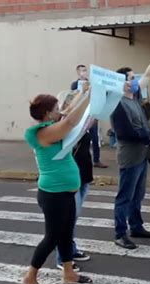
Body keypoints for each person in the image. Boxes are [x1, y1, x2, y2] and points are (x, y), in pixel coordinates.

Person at [19, 92, 92, 284]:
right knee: (52, 237)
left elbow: (69, 114)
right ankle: (29, 278)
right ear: (47, 113)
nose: (59, 110)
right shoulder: (41, 133)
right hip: (53, 194)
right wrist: (90, 94)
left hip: (65, 193)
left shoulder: (52, 127)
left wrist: (82, 94)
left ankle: (69, 273)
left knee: (66, 235)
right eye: (56, 108)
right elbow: (69, 120)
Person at [110, 46, 150, 249]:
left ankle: (136, 226)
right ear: (122, 82)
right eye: (131, 78)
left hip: (142, 155)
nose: (135, 81)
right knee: (125, 196)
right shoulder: (116, 104)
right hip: (130, 156)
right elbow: (126, 133)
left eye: (135, 78)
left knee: (138, 194)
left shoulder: (134, 97)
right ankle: (120, 233)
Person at [53, 88, 93, 272]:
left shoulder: (80, 121)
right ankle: (62, 257)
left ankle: (71, 248)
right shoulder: (60, 125)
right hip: (69, 177)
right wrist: (84, 95)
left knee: (73, 217)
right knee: (66, 219)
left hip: (83, 174)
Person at [71, 64, 108, 168]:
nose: (85, 72)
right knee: (79, 137)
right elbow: (73, 98)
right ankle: (76, 158)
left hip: (91, 113)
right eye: (82, 71)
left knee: (95, 138)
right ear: (78, 72)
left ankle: (96, 160)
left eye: (85, 70)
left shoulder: (92, 83)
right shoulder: (75, 84)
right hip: (80, 115)